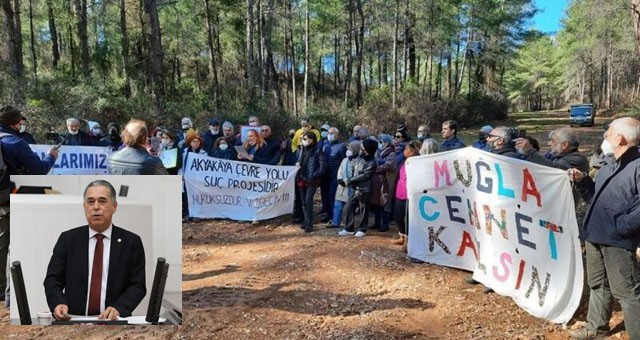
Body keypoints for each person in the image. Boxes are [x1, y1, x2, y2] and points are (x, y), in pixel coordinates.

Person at [566, 117, 640, 340]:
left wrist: (622, 227)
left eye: (608, 133)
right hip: (595, 235)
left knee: (627, 292)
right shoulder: (608, 166)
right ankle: (596, 328)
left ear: (620, 138)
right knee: (598, 284)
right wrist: (582, 181)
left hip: (617, 240)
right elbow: (595, 198)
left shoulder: (637, 167)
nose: (605, 137)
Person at [44, 180, 146, 320]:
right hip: (74, 319)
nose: (96, 207)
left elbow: (137, 285)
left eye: (102, 201)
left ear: (114, 206)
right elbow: (52, 279)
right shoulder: (68, 239)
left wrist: (119, 308)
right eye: (90, 202)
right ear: (84, 206)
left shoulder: (131, 242)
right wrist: (58, 303)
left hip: (113, 321)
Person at [0, 105, 58, 307]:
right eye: (20, 121)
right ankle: (11, 297)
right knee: (15, 248)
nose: (22, 124)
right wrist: (51, 156)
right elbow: (39, 170)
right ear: (14, 123)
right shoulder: (16, 143)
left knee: (1, 246)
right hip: (12, 199)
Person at [338, 139, 378, 238]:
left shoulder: (372, 162)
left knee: (363, 209)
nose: (361, 149)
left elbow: (366, 175)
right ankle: (349, 228)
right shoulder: (358, 158)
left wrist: (350, 179)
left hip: (365, 189)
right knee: (348, 207)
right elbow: (352, 167)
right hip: (354, 188)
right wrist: (350, 180)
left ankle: (362, 229)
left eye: (363, 147)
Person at [392, 140, 424, 252]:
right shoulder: (404, 161)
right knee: (397, 216)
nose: (404, 151)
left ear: (412, 151)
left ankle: (408, 241)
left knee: (408, 218)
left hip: (409, 195)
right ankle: (401, 235)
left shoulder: (417, 162)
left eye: (406, 149)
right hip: (399, 192)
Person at [295, 132, 327, 233]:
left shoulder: (318, 151)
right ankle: (306, 220)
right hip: (301, 178)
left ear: (312, 140)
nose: (304, 140)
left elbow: (323, 167)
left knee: (308, 200)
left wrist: (314, 175)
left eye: (306, 139)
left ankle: (309, 223)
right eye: (303, 138)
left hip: (311, 180)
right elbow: (297, 161)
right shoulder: (300, 150)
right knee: (303, 201)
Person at [328, 141, 361, 229]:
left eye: (350, 149)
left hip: (351, 187)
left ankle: (349, 224)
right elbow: (340, 170)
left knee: (349, 207)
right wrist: (339, 178)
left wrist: (346, 181)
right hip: (341, 186)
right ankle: (335, 222)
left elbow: (356, 175)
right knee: (337, 205)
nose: (348, 151)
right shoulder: (344, 160)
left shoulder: (359, 161)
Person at [370, 134, 397, 232]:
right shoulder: (377, 152)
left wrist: (377, 168)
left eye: (383, 142)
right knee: (376, 203)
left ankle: (385, 224)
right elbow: (373, 163)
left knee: (385, 203)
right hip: (377, 181)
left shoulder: (392, 153)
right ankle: (377, 223)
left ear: (387, 143)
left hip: (386, 181)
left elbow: (389, 166)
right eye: (380, 141)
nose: (381, 144)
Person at [320, 127, 347, 223]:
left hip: (334, 176)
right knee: (325, 196)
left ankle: (333, 217)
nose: (330, 135)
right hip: (324, 176)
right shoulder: (325, 146)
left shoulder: (341, 146)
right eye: (329, 133)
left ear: (337, 135)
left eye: (332, 133)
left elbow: (344, 161)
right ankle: (328, 214)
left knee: (332, 196)